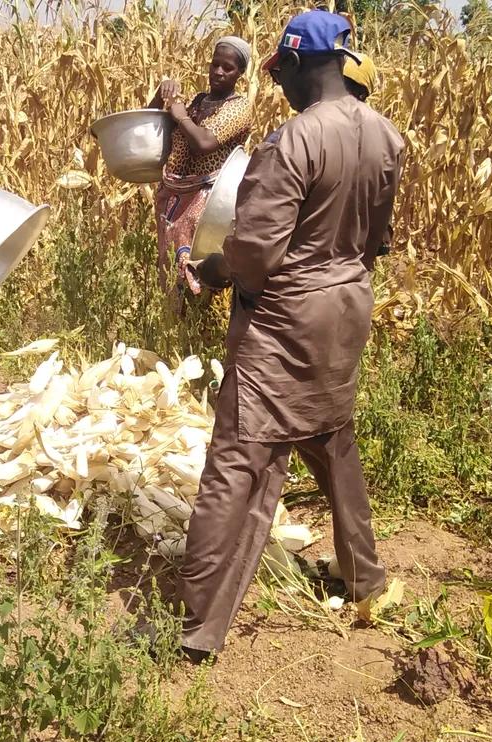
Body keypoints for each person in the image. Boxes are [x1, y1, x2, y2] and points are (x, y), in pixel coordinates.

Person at [175, 11, 406, 661]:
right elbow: (377, 241)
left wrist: (212, 270)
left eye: (283, 74)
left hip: (283, 323)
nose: (279, 88)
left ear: (304, 64)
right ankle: (364, 576)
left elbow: (253, 255)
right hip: (347, 310)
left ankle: (197, 626)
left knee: (241, 465)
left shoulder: (292, 142)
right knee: (331, 437)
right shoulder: (386, 138)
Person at [147, 36, 254, 302]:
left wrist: (181, 115)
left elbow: (204, 143)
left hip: (207, 206)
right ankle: (174, 329)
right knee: (171, 273)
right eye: (215, 64)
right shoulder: (197, 102)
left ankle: (198, 332)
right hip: (175, 199)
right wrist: (162, 97)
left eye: (227, 68)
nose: (218, 72)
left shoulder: (238, 108)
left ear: (240, 73)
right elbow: (151, 128)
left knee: (199, 273)